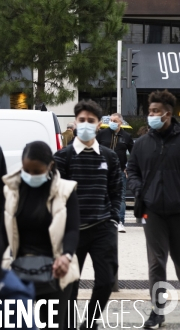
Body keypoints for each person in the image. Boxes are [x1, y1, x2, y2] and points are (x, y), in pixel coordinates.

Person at [54, 100, 122, 330]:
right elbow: (57, 194)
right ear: (75, 123)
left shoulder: (109, 157)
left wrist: (113, 217)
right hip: (72, 231)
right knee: (69, 286)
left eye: (90, 121)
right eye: (81, 120)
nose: (85, 124)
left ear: (98, 125)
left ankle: (89, 324)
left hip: (102, 227)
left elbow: (116, 189)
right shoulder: (62, 157)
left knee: (105, 281)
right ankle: (70, 325)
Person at [3, 141, 80, 329]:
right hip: (19, 270)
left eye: (37, 172)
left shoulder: (65, 190)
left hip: (55, 270)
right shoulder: (11, 189)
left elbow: (72, 229)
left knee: (52, 325)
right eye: (26, 170)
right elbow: (3, 228)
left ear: (50, 166)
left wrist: (66, 256)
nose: (30, 175)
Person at [127, 90, 180, 329]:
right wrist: (139, 191)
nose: (151, 115)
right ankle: (157, 313)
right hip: (153, 211)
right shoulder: (142, 143)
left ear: (168, 114)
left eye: (155, 111)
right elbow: (132, 170)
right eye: (149, 112)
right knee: (156, 264)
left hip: (179, 211)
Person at [96, 113, 134, 233]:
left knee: (121, 197)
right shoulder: (102, 134)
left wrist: (129, 168)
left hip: (119, 170)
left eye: (115, 120)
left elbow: (133, 154)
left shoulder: (127, 136)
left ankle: (119, 222)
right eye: (111, 120)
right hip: (103, 170)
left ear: (120, 122)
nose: (112, 122)